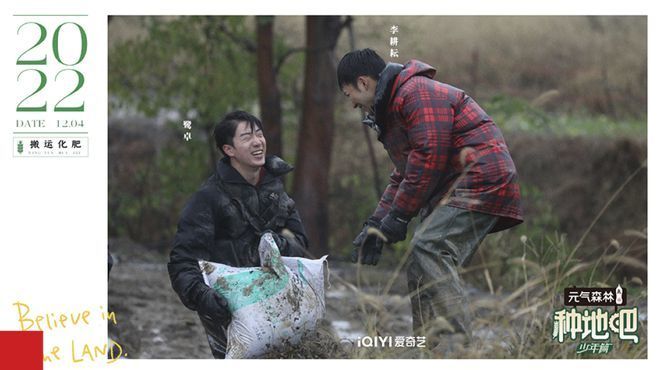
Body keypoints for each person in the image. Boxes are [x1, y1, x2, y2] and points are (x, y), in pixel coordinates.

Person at [337, 49, 523, 351]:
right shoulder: (394, 107)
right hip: (455, 185)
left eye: (349, 95)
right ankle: (430, 348)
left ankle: (456, 347)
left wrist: (398, 217)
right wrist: (376, 223)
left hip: (479, 178)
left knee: (429, 247)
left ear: (363, 82)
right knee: (421, 260)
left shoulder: (414, 93)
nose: (353, 104)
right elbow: (405, 173)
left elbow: (428, 157)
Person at [167, 110, 309, 359]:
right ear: (229, 150)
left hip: (280, 303)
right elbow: (183, 260)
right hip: (230, 309)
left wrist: (281, 245)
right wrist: (203, 297)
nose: (257, 142)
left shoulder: (275, 188)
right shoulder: (209, 198)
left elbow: (301, 244)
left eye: (259, 134)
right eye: (246, 137)